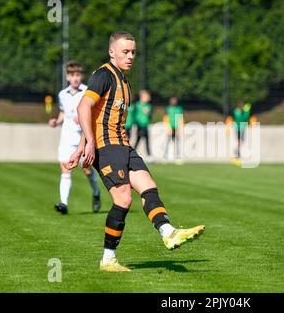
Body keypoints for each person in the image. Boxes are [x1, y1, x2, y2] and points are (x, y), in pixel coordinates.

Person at [64, 32, 204, 272]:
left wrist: (79, 150)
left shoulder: (125, 82)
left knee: (148, 185)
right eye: (125, 52)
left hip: (124, 145)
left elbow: (95, 115)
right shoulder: (103, 75)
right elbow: (83, 107)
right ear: (112, 52)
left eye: (133, 52)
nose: (130, 56)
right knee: (123, 199)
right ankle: (108, 259)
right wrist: (87, 143)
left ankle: (168, 232)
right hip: (107, 147)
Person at [49, 60, 101, 215]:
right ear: (67, 77)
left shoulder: (87, 92)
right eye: (72, 75)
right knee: (65, 169)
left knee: (87, 170)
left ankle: (96, 193)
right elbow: (63, 113)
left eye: (78, 75)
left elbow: (93, 111)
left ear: (81, 76)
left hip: (83, 138)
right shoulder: (62, 94)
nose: (76, 78)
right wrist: (56, 121)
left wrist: (84, 118)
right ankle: (63, 203)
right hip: (67, 137)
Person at [226, 100, 257, 166]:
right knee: (239, 141)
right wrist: (228, 127)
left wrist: (252, 123)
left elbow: (250, 117)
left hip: (243, 129)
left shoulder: (246, 112)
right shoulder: (235, 112)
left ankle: (238, 154)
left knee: (241, 142)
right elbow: (230, 118)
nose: (241, 108)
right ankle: (237, 154)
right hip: (237, 129)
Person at [133, 89, 153, 162]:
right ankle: (133, 154)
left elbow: (150, 117)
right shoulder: (137, 105)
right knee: (137, 140)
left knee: (147, 141)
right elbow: (133, 115)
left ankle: (149, 156)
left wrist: (148, 113)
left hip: (145, 126)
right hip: (139, 126)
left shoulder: (149, 106)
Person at [163, 96, 184, 162]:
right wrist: (168, 127)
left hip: (176, 127)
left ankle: (178, 156)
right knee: (167, 141)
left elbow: (180, 118)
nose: (173, 101)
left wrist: (180, 128)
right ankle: (165, 156)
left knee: (177, 142)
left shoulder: (179, 109)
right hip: (170, 127)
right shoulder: (168, 108)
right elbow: (165, 118)